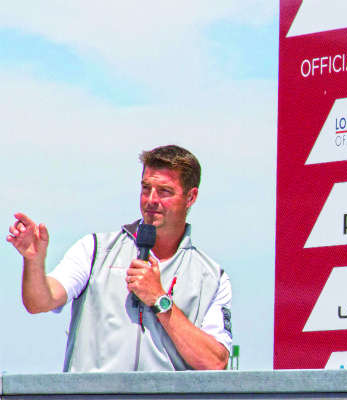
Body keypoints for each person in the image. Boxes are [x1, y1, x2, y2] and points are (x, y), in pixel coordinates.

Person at [7, 145, 232, 371]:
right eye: (146, 188)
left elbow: (215, 362)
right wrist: (33, 262)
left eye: (164, 191)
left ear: (191, 197)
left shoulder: (212, 277)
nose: (151, 199)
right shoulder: (95, 250)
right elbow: (39, 302)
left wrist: (159, 299)